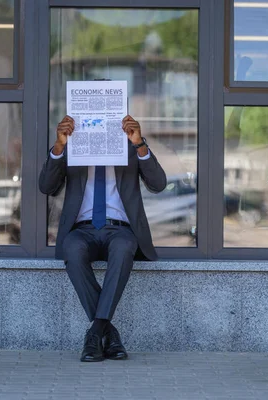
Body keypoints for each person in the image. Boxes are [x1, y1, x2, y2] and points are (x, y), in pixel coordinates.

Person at [39, 115, 167, 362]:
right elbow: (46, 186)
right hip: (82, 229)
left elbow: (159, 184)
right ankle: (109, 334)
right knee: (71, 249)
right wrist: (59, 147)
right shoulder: (71, 144)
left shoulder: (132, 145)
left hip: (120, 229)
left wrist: (140, 144)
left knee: (124, 246)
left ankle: (96, 333)